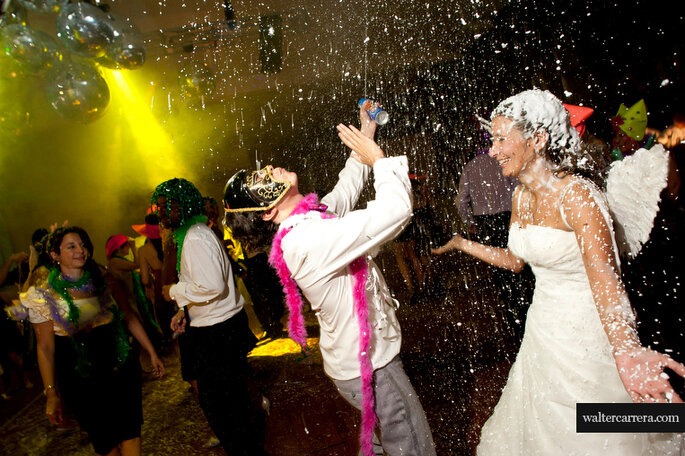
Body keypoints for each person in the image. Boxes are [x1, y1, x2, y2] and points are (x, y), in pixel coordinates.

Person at [432, 89, 685, 455]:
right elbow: (517, 260)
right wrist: (462, 243)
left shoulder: (579, 196)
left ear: (538, 139)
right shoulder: (521, 195)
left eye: (502, 139)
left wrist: (627, 351)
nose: (493, 150)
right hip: (542, 336)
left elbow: (606, 280)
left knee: (599, 430)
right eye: (493, 139)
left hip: (587, 339)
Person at [223, 109, 436, 456]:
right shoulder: (307, 239)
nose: (270, 170)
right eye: (260, 181)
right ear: (266, 212)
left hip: (354, 363)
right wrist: (380, 160)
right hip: (372, 369)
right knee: (413, 447)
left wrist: (366, 133)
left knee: (388, 445)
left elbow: (347, 187)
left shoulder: (308, 220)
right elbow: (396, 212)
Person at [19, 226, 164, 456]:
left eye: (83, 245)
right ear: (55, 255)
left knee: (130, 433)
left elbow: (128, 316)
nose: (80, 251)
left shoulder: (104, 280)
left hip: (119, 366)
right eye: (72, 246)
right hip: (81, 378)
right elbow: (45, 348)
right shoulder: (44, 296)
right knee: (106, 443)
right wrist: (51, 393)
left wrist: (151, 352)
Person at [153, 178, 265, 455]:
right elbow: (207, 281)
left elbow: (212, 285)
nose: (161, 213)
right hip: (217, 327)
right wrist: (185, 310)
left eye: (166, 206)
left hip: (218, 333)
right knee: (230, 405)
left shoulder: (195, 237)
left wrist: (174, 292)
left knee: (224, 409)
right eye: (159, 207)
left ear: (182, 205)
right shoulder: (194, 234)